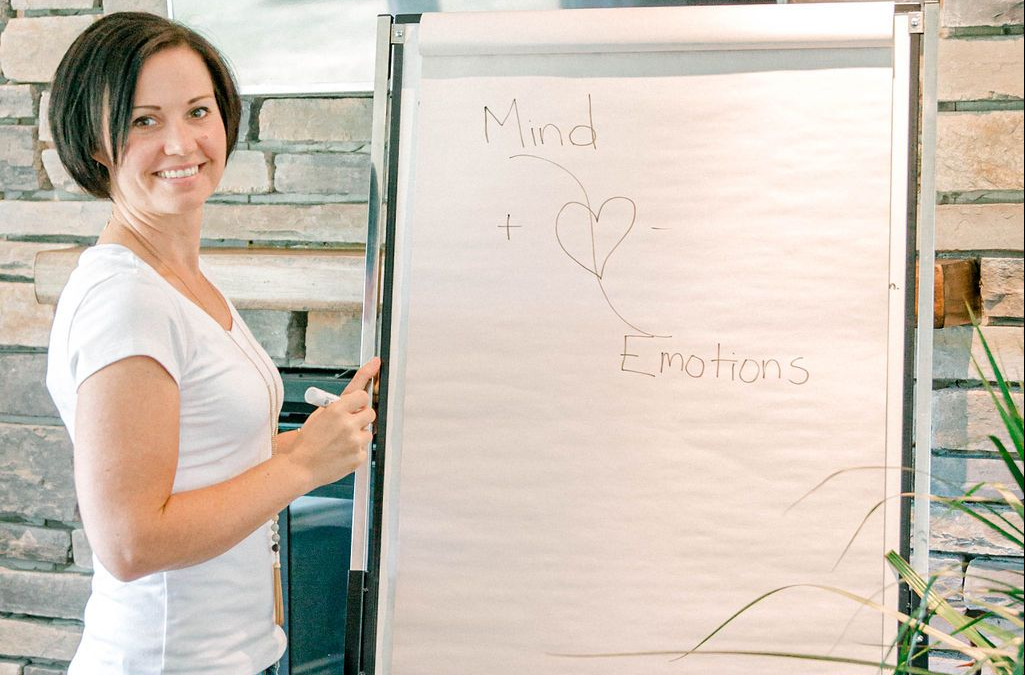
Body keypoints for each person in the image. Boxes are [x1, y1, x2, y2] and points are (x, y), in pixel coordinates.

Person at [45, 12, 379, 675]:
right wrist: (303, 466)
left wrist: (319, 439)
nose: (182, 141)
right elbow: (131, 541)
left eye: (198, 111)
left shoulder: (179, 280)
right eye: (145, 121)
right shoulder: (127, 302)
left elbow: (206, 461)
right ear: (96, 144)